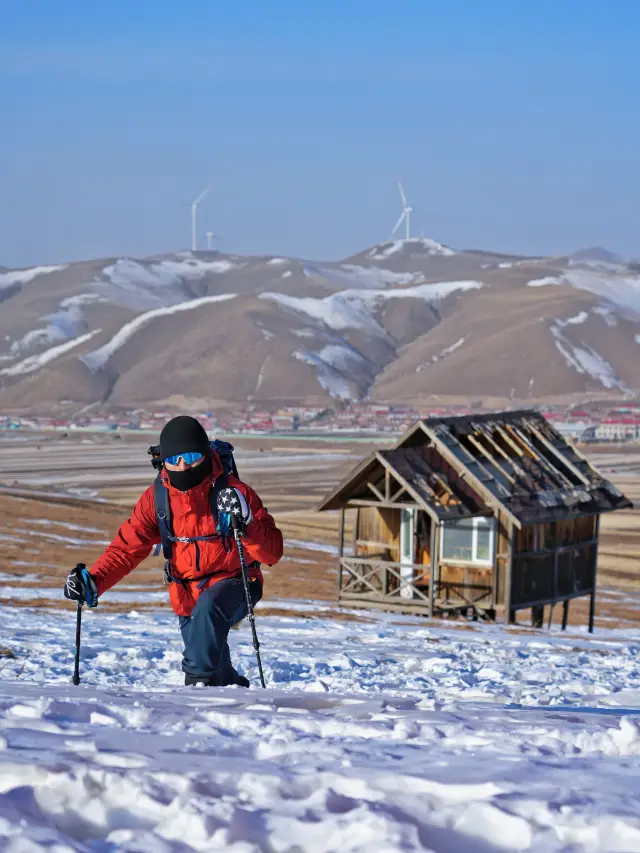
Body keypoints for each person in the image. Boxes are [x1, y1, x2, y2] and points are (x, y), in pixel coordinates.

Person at [63, 415, 283, 687]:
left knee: (208, 617)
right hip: (185, 593)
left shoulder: (235, 493)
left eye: (191, 456)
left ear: (205, 453)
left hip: (237, 583)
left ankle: (194, 686)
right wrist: (93, 581)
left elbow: (272, 553)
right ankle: (231, 687)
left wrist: (247, 524)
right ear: (163, 460)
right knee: (215, 667)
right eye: (174, 459)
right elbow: (126, 548)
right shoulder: (157, 499)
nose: (183, 465)